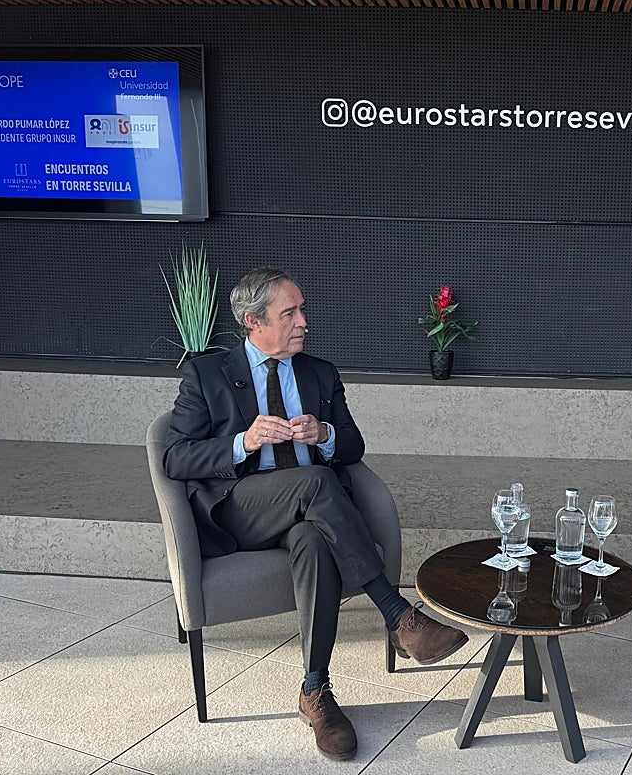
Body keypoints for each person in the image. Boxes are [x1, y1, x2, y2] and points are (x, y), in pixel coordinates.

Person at [163, 267, 468, 761]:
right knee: (317, 482)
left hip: (314, 512)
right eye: (290, 313)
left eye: (302, 309)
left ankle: (315, 692)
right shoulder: (207, 374)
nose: (303, 321)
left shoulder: (319, 372)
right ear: (252, 321)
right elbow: (175, 457)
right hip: (243, 509)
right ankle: (397, 614)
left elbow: (354, 445)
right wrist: (245, 441)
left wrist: (323, 434)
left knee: (310, 535)